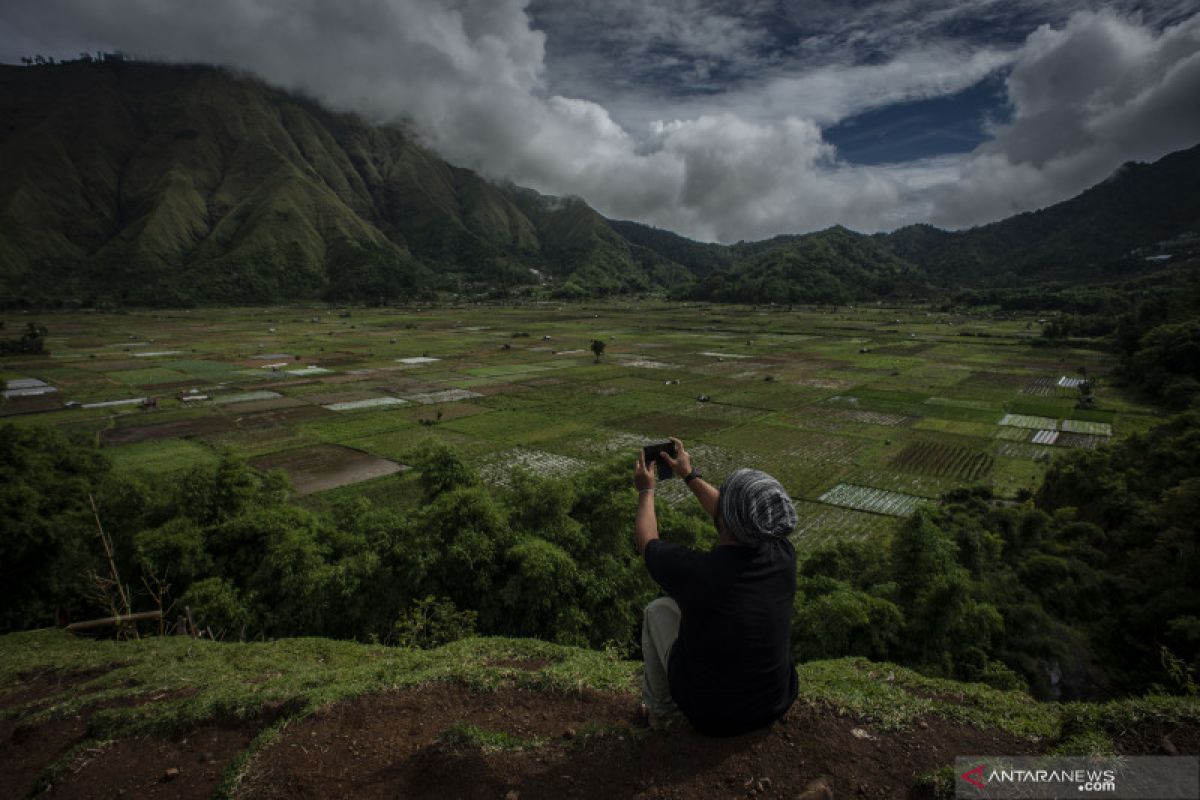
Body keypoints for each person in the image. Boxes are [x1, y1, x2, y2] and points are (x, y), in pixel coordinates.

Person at [633, 437, 798, 736]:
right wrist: (688, 475)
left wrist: (646, 490)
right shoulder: (783, 557)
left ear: (726, 517)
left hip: (711, 715)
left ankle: (664, 714)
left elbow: (647, 542)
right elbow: (733, 514)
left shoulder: (701, 574)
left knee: (658, 610)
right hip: (774, 702)